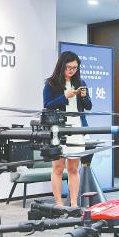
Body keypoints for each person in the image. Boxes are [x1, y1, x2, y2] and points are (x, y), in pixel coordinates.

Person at [43, 51, 92, 207]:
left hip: (77, 128)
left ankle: (73, 203)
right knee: (58, 168)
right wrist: (65, 96)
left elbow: (88, 106)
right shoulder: (51, 83)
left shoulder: (81, 82)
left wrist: (84, 96)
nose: (72, 70)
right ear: (62, 66)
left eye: (75, 68)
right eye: (69, 67)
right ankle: (59, 203)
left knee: (73, 168)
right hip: (58, 129)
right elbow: (47, 106)